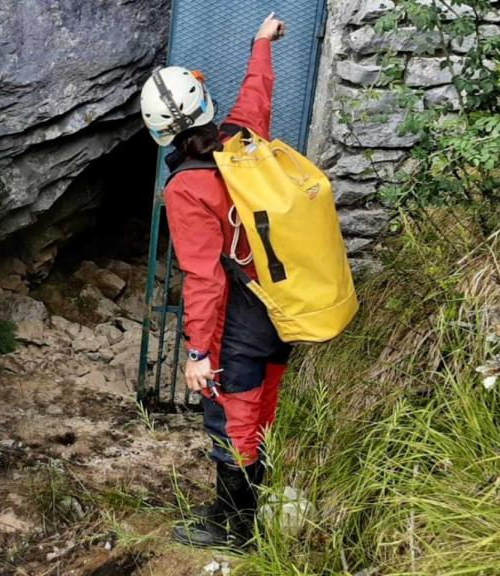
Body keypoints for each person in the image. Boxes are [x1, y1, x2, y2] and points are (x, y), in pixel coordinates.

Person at [140, 14, 289, 548]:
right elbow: (257, 94)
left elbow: (203, 278)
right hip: (278, 305)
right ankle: (251, 510)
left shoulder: (185, 188)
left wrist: (198, 352)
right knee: (262, 408)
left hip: (237, 325)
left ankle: (237, 530)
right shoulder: (241, 140)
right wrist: (261, 44)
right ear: (204, 104)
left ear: (157, 133)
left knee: (232, 421)